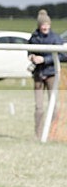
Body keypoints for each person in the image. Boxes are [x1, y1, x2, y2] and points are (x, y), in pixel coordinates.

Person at [28, 9, 66, 139]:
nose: (45, 27)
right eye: (43, 24)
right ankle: (38, 135)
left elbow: (62, 55)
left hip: (51, 74)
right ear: (39, 25)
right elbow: (28, 51)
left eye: (47, 24)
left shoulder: (55, 38)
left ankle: (51, 132)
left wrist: (45, 59)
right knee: (39, 107)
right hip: (38, 74)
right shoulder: (34, 37)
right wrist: (32, 57)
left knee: (53, 106)